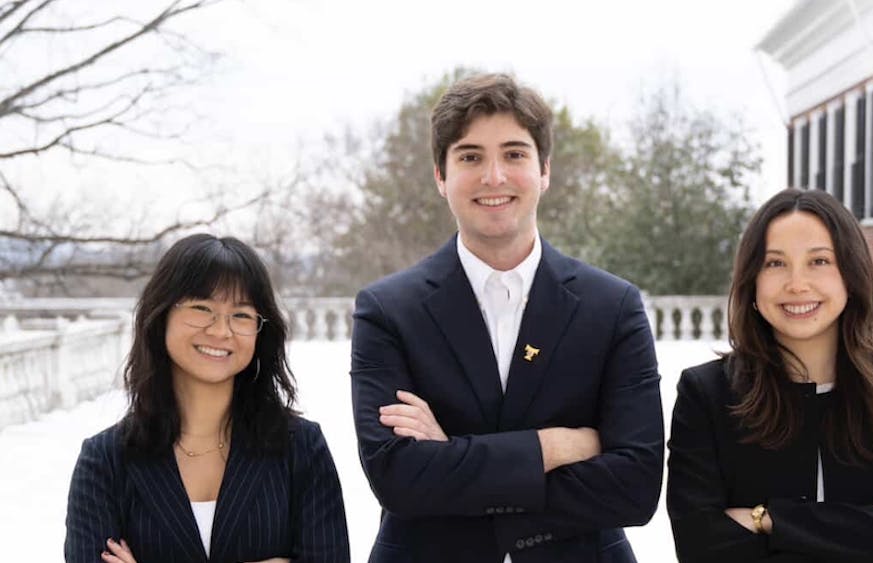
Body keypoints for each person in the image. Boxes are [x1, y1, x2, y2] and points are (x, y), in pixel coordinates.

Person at [350, 73, 664, 562]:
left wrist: (451, 455)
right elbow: (399, 478)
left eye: (514, 154)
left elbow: (636, 486)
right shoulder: (387, 311)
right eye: (470, 156)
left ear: (544, 170)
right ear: (440, 175)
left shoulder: (613, 307)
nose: (493, 176)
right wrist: (553, 447)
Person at [666, 188, 873, 562]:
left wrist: (769, 519)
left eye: (818, 261)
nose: (797, 283)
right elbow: (700, 546)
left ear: (851, 273)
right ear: (752, 280)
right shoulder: (706, 394)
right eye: (775, 263)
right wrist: (868, 529)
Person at [65, 234, 349, 563]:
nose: (221, 331)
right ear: (161, 316)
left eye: (241, 315)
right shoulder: (105, 461)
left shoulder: (301, 447)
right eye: (202, 308)